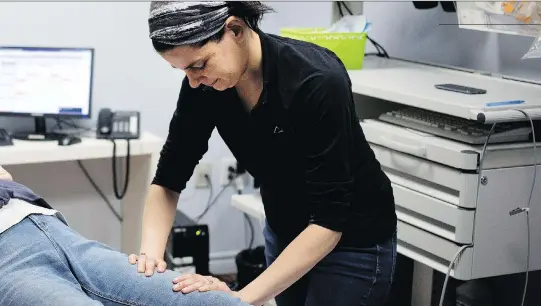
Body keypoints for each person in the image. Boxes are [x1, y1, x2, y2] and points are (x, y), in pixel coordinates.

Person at [134, 2, 398, 306]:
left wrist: (238, 298)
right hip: (285, 230)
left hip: (352, 240)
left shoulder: (315, 80)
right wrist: (149, 264)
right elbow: (168, 180)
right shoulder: (202, 87)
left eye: (199, 65)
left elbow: (329, 219)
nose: (193, 81)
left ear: (235, 30)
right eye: (182, 70)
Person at [0, 166, 249, 306]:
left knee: (210, 301)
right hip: (8, 254)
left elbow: (5, 177)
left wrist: (149, 259)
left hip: (52, 227)